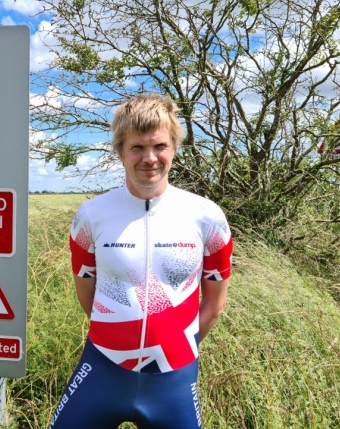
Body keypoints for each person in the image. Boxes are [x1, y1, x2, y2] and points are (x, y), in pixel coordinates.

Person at [49, 94, 232, 429]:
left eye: (160, 145)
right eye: (137, 148)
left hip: (174, 378)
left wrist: (172, 346)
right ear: (120, 152)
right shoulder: (90, 216)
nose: (150, 158)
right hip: (103, 368)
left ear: (174, 147)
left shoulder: (207, 217)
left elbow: (215, 305)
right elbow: (88, 297)